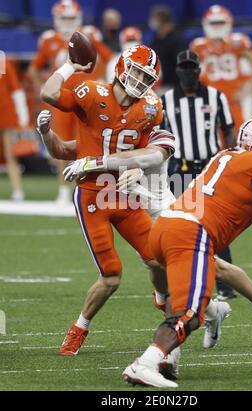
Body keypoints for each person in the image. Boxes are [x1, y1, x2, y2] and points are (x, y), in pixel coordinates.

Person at [122, 115, 252, 388]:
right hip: (191, 233)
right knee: (190, 314)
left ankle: (168, 357)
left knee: (175, 298)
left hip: (166, 226)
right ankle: (146, 363)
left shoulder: (227, 156)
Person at [39, 44, 175, 357]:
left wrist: (135, 171)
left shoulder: (151, 107)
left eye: (147, 76)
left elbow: (144, 152)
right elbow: (49, 96)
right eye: (137, 71)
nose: (140, 80)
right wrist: (71, 66)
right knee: (112, 276)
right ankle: (79, 327)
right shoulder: (91, 92)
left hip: (124, 194)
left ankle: (162, 295)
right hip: (92, 196)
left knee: (157, 257)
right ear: (121, 67)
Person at [162, 49, 236, 299]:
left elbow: (228, 129)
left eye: (192, 67)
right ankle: (179, 285)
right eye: (184, 67)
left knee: (217, 225)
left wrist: (229, 159)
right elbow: (159, 136)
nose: (188, 72)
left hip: (210, 168)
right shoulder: (167, 100)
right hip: (180, 168)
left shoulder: (216, 97)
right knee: (180, 225)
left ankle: (225, 287)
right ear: (178, 70)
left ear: (199, 69)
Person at [28, 0, 113, 204]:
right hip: (63, 99)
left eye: (70, 18)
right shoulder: (49, 40)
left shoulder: (90, 34)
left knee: (89, 143)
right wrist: (47, 86)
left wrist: (102, 82)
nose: (67, 22)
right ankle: (63, 189)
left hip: (89, 99)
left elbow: (110, 58)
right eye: (64, 18)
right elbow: (33, 69)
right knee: (61, 142)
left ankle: (89, 187)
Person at [190, 4, 252, 133]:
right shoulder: (199, 45)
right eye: (214, 23)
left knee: (242, 135)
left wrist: (249, 89)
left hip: (236, 99)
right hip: (211, 99)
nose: (217, 26)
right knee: (214, 138)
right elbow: (190, 73)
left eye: (220, 22)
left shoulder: (238, 42)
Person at [0, 59, 29, 201]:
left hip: (5, 113)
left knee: (10, 154)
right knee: (10, 154)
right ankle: (18, 191)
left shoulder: (3, 61)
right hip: (6, 112)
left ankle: (18, 191)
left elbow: (16, 88)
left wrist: (22, 115)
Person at [149, 5, 186, 91]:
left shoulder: (177, 40)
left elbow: (181, 63)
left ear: (161, 20)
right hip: (158, 84)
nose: (152, 21)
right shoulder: (155, 38)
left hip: (174, 85)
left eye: (154, 19)